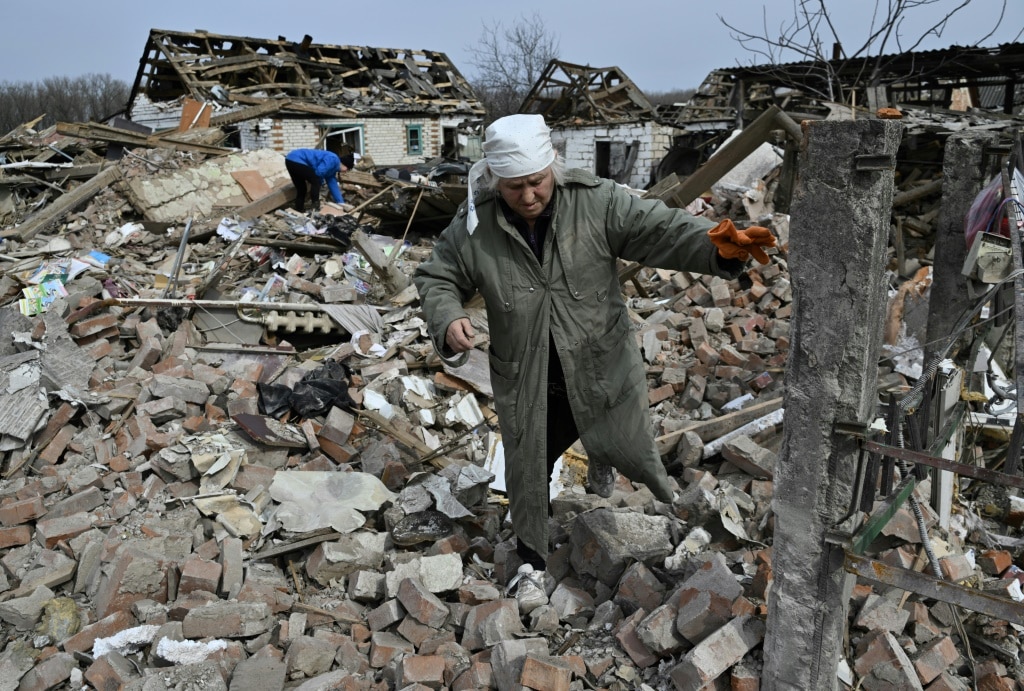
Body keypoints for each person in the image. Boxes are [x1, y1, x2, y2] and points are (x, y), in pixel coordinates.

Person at [412, 114, 775, 583]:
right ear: (494, 180)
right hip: (529, 373)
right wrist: (448, 316)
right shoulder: (475, 223)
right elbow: (437, 276)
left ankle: (649, 500)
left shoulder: (597, 202)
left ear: (553, 168)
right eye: (513, 187)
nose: (527, 197)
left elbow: (659, 230)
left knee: (627, 444)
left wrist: (716, 249)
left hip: (598, 362)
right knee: (528, 464)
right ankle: (532, 558)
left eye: (536, 183)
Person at [285, 148, 346, 212]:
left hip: (289, 159)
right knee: (316, 181)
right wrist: (321, 182)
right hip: (298, 158)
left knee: (302, 188)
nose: (346, 172)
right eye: (347, 169)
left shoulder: (332, 170)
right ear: (343, 164)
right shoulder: (333, 159)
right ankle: (315, 207)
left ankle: (299, 210)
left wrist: (341, 203)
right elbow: (319, 172)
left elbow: (333, 186)